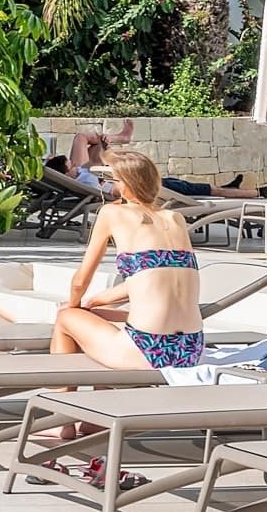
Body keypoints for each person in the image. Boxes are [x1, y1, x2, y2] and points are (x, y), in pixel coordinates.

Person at [52, 148, 204, 373]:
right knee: (93, 314)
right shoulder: (175, 218)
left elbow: (79, 282)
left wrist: (74, 305)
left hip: (146, 348)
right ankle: (103, 394)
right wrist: (95, 302)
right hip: (189, 348)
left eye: (110, 179)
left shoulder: (111, 213)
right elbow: (152, 275)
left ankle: (61, 399)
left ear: (126, 184)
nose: (108, 186)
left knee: (66, 317)